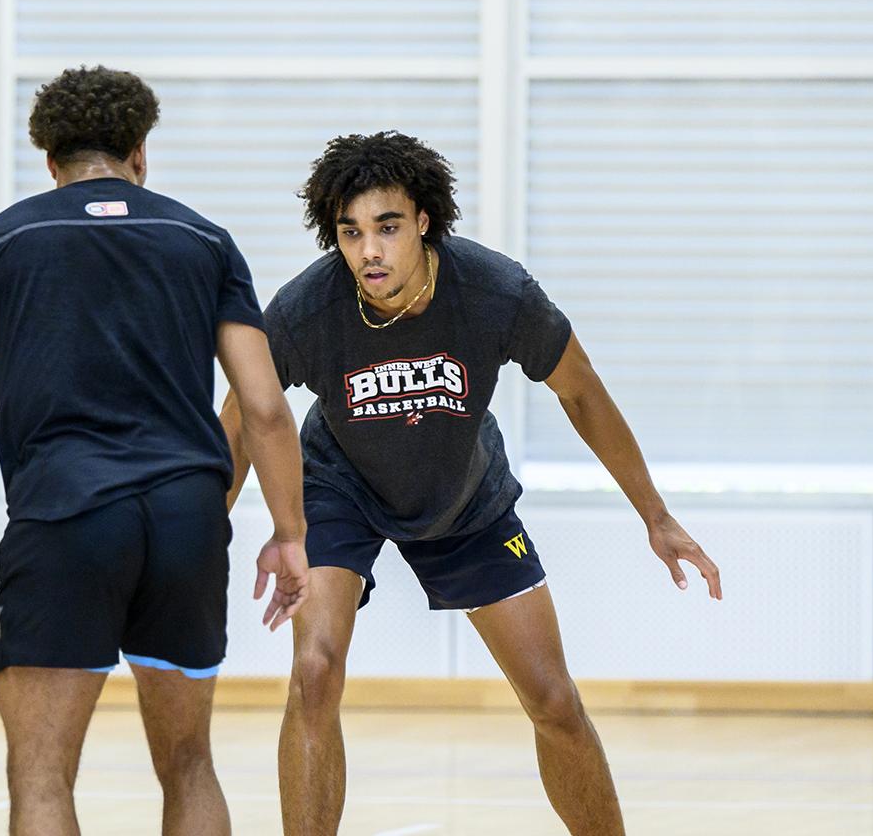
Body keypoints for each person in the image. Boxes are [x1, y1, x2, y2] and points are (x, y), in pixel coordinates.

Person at [0, 66, 311, 836]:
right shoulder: (205, 241)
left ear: (50, 162)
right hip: (188, 523)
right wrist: (289, 536)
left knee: (42, 775)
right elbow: (264, 407)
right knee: (190, 763)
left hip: (67, 517)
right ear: (140, 153)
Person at [221, 131, 723, 836]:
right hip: (340, 489)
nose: (369, 251)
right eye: (350, 232)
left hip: (465, 497)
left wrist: (656, 515)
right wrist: (201, 528)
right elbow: (244, 417)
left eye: (387, 228)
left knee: (552, 699)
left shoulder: (495, 292)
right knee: (313, 673)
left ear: (423, 220)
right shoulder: (307, 310)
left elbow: (581, 393)